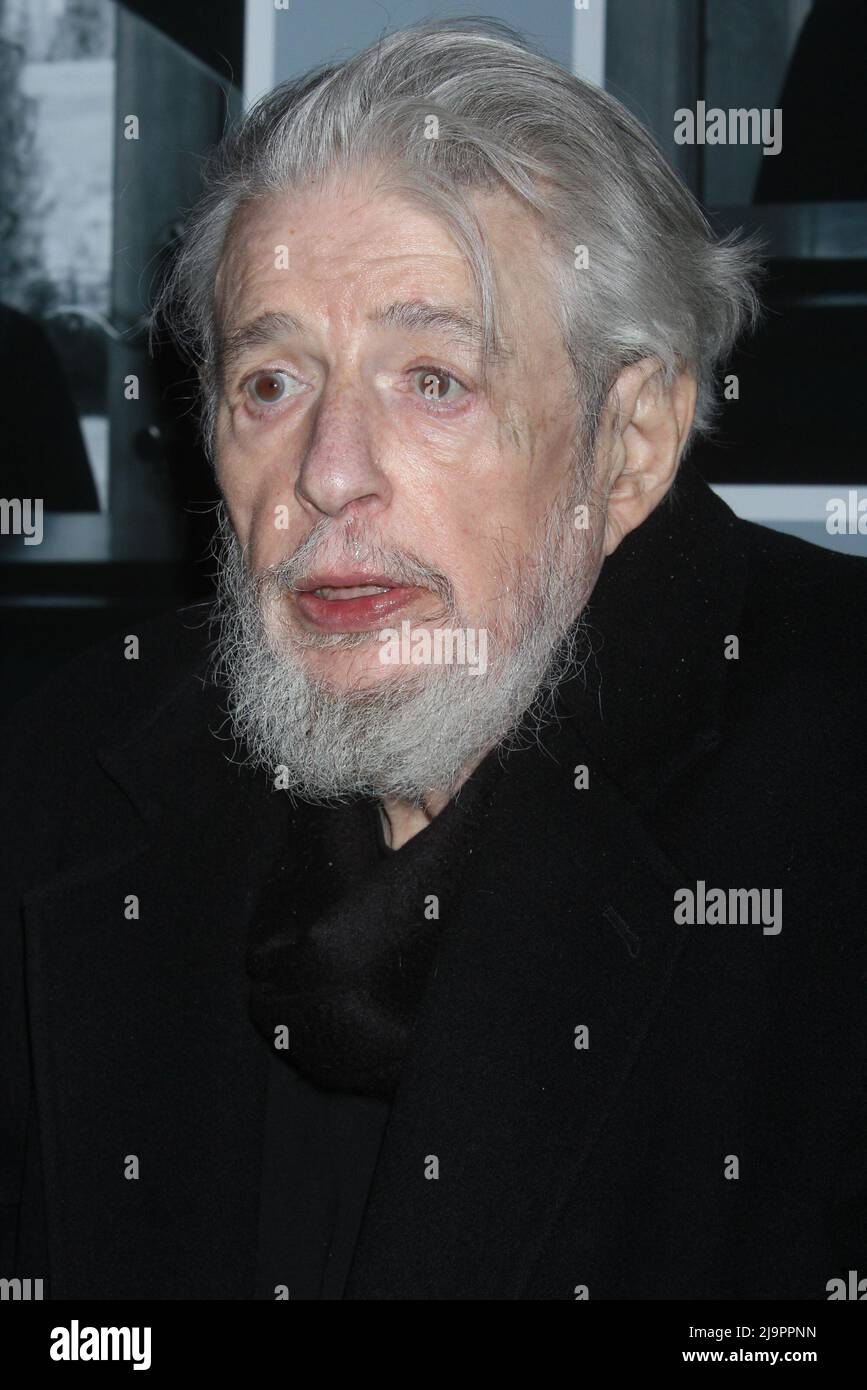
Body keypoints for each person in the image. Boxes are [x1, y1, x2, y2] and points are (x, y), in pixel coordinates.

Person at [2, 17, 865, 1301]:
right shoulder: (60, 774)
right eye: (272, 382)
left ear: (629, 441)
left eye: (433, 379)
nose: (327, 475)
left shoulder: (832, 798)